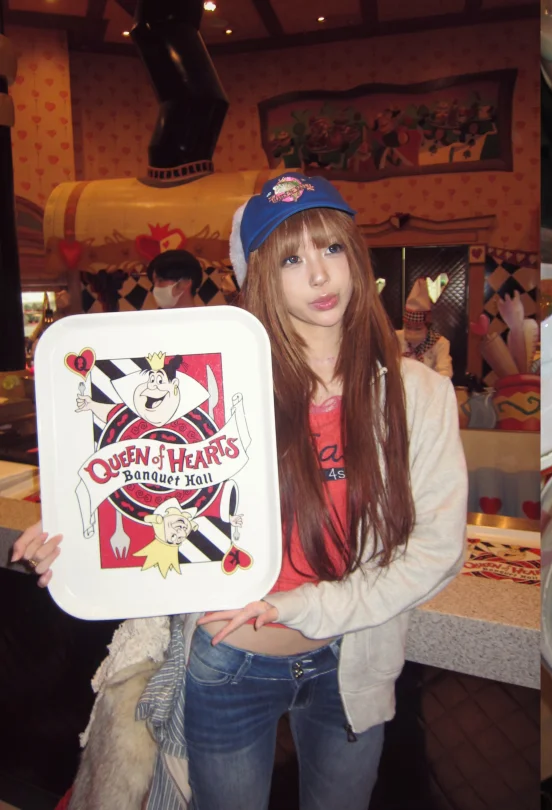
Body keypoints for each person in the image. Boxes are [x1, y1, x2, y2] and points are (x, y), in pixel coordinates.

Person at [12, 172, 469, 810]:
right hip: (229, 661)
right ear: (258, 276)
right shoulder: (216, 387)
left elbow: (438, 549)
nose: (319, 274)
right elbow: (148, 479)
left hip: (354, 659)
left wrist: (304, 607)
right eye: (290, 259)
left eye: (331, 248)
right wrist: (75, 533)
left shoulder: (418, 393)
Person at [395, 277, 453, 377]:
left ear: (427, 327)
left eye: (417, 328)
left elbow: (445, 373)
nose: (412, 332)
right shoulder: (395, 337)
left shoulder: (440, 343)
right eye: (408, 327)